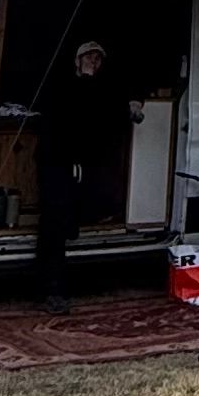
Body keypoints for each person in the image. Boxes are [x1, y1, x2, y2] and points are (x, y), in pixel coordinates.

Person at [32, 35, 130, 310]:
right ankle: (52, 290)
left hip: (82, 165)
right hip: (56, 160)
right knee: (54, 222)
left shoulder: (101, 89)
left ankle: (55, 282)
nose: (93, 62)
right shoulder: (61, 86)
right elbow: (64, 118)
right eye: (89, 57)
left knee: (74, 216)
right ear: (77, 60)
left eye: (98, 59)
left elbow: (110, 118)